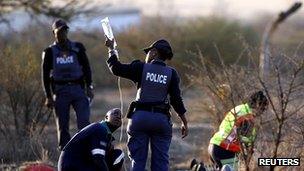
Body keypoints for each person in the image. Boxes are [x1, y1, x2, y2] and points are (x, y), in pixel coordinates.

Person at [105, 37, 188, 171]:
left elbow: (116, 68)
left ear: (154, 52)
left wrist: (111, 49)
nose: (147, 55)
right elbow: (176, 100)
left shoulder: (140, 68)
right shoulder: (171, 73)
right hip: (161, 121)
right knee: (161, 163)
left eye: (148, 52)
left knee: (138, 161)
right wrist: (184, 121)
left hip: (140, 119)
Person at [41, 19, 94, 150]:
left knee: (84, 122)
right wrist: (48, 96)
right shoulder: (49, 52)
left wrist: (89, 86)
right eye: (59, 31)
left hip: (78, 89)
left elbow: (86, 68)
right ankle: (65, 154)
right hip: (60, 91)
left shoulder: (77, 48)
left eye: (65, 30)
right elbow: (45, 75)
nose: (62, 33)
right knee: (63, 126)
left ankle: (85, 150)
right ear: (54, 32)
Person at [191, 91, 268, 171]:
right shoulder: (248, 117)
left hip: (214, 144)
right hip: (226, 150)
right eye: (263, 109)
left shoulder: (239, 108)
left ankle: (202, 169)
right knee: (229, 169)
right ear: (258, 105)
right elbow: (246, 139)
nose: (262, 112)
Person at [58, 108, 124, 171]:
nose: (118, 117)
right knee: (118, 155)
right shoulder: (100, 128)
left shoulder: (105, 135)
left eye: (120, 117)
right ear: (106, 117)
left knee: (116, 154)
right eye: (115, 114)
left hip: (79, 164)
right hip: (71, 166)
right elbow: (98, 158)